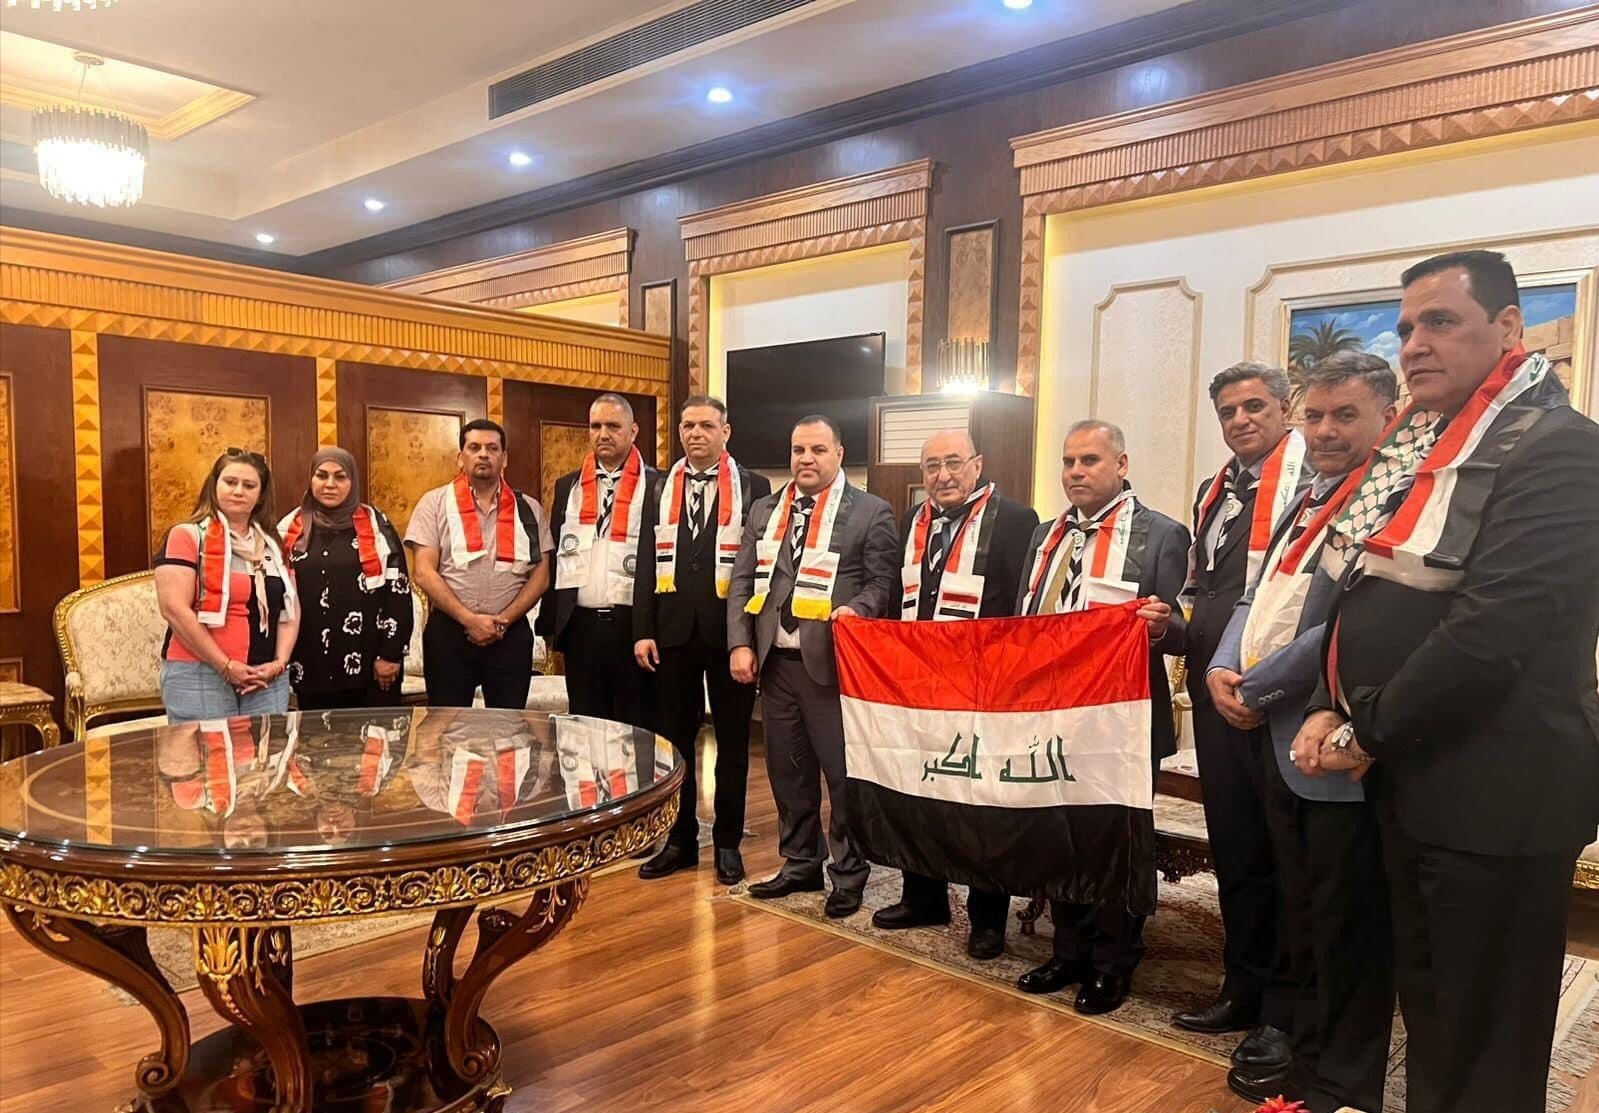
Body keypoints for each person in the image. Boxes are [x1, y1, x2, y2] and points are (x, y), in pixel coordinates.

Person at [1291, 250, 1599, 1113]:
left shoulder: (1562, 448)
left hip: (1499, 789)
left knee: (1482, 1038)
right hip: (1416, 775)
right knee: (1431, 1014)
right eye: (1403, 329)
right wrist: (1324, 701)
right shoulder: (1421, 448)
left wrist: (1363, 729)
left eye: (1438, 322)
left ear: (1507, 327)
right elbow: (1360, 590)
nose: (1413, 344)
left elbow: (1493, 631)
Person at [1207, 353, 1398, 1110]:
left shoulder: (1387, 500)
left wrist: (1254, 687)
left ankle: (1342, 1080)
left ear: (1388, 416)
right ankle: (1306, 1055)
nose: (1324, 430)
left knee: (1343, 919)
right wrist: (1222, 666)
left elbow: (1346, 625)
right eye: (1314, 415)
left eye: (1344, 415)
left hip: (1329, 736)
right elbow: (1254, 597)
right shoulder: (1303, 500)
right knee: (1301, 906)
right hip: (1270, 731)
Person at [1011, 420, 1188, 1014]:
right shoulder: (1045, 535)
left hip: (1121, 721)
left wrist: (1161, 627)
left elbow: (1184, 629)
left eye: (1089, 460)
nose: (1076, 472)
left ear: (1121, 464)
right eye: (1069, 461)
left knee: (1114, 844)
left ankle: (1113, 963)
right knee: (1057, 836)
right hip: (1049, 716)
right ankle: (1067, 951)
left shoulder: (1162, 535)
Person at [1175, 362, 1310, 1064]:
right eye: (1227, 411)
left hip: (1285, 698)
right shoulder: (1215, 491)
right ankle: (1242, 986)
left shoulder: (1311, 482)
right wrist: (1170, 626)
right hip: (1214, 692)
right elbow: (1206, 593)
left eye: (1254, 406)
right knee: (1237, 851)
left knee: (1288, 858)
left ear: (1285, 407)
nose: (1240, 420)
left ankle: (1287, 1009)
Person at [867, 429, 1037, 959]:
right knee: (920, 790)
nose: (943, 475)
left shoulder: (1016, 520)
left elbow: (1021, 605)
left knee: (983, 802)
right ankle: (924, 897)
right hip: (920, 683)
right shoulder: (912, 521)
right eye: (932, 466)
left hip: (985, 685)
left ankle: (988, 918)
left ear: (977, 465)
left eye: (954, 463)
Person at [727, 414, 898, 919]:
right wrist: (739, 643)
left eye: (818, 450)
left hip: (833, 666)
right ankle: (800, 861)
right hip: (775, 665)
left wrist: (858, 609)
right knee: (788, 772)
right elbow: (741, 582)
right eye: (798, 449)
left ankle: (848, 873)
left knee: (842, 778)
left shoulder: (870, 511)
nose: (806, 459)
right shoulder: (765, 509)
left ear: (839, 454)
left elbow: (882, 583)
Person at [632, 395, 771, 885]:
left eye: (707, 425)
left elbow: (759, 567)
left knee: (732, 742)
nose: (696, 433)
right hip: (671, 636)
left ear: (725, 431)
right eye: (688, 425)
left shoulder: (754, 486)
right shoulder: (659, 485)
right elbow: (645, 559)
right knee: (674, 745)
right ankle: (680, 841)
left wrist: (748, 638)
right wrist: (642, 630)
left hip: (730, 635)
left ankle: (728, 843)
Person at [406, 419, 553, 708]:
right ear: (460, 458)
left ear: (504, 458)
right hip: (450, 633)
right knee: (447, 726)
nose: (483, 454)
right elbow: (423, 572)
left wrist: (503, 621)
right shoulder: (434, 503)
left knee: (508, 726)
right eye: (474, 447)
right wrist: (469, 619)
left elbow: (542, 576)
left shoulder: (529, 509)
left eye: (492, 448)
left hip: (509, 634)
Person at [154, 447, 299, 722]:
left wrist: (279, 663)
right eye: (230, 482)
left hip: (265, 677)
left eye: (249, 485)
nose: (238, 491)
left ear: (261, 495)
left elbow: (290, 611)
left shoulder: (273, 544)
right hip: (200, 672)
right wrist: (225, 665)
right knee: (206, 752)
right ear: (214, 486)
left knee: (265, 752)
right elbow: (174, 609)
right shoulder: (187, 536)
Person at [541, 394, 657, 728]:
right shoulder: (568, 485)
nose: (603, 434)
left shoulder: (657, 485)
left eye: (613, 426)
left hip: (632, 628)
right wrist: (551, 625)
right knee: (585, 727)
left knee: (633, 729)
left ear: (633, 431)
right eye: (595, 426)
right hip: (581, 628)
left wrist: (649, 629)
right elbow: (556, 556)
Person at [278, 447, 413, 710]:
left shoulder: (377, 526)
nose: (330, 484)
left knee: (374, 736)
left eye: (340, 477)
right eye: (321, 475)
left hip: (371, 666)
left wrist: (391, 654)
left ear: (353, 481)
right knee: (314, 736)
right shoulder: (288, 528)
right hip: (310, 663)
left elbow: (398, 592)